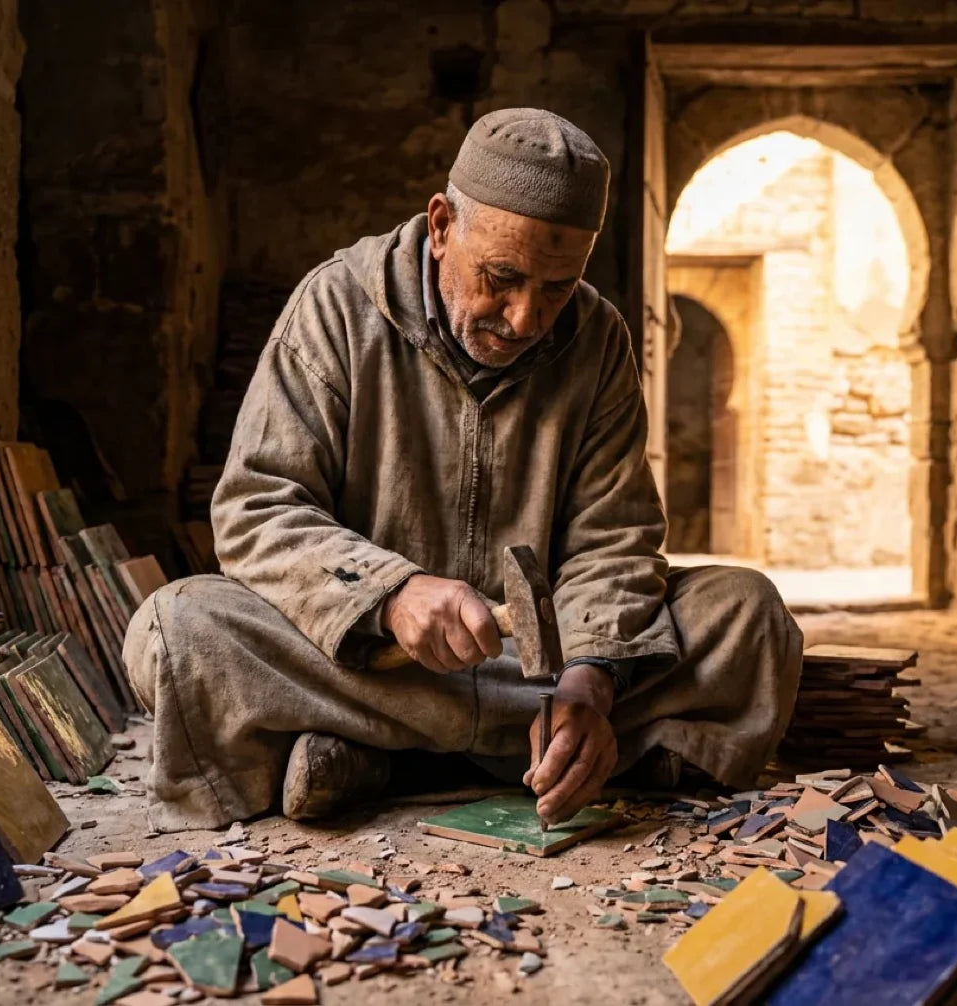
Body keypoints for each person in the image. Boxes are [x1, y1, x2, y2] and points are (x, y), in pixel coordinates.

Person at [123, 108, 803, 834]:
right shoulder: (335, 308)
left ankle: (383, 757)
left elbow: (614, 538)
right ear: (442, 225)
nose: (524, 318)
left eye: (557, 287)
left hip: (535, 675)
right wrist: (391, 594)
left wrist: (589, 684)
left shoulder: (598, 339)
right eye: (502, 278)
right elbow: (257, 508)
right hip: (374, 669)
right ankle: (506, 755)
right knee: (178, 626)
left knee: (747, 615)